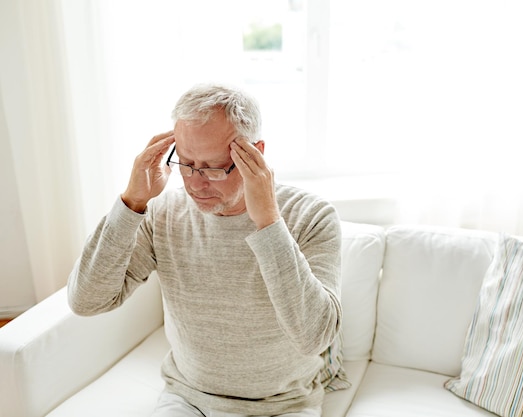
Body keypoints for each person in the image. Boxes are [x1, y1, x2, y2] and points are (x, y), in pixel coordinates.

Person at [67, 83, 348, 417]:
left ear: (255, 153)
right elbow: (86, 301)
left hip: (284, 404)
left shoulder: (312, 216)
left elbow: (315, 336)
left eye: (214, 168)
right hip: (189, 398)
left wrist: (269, 223)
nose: (195, 183)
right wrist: (132, 201)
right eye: (186, 164)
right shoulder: (163, 214)